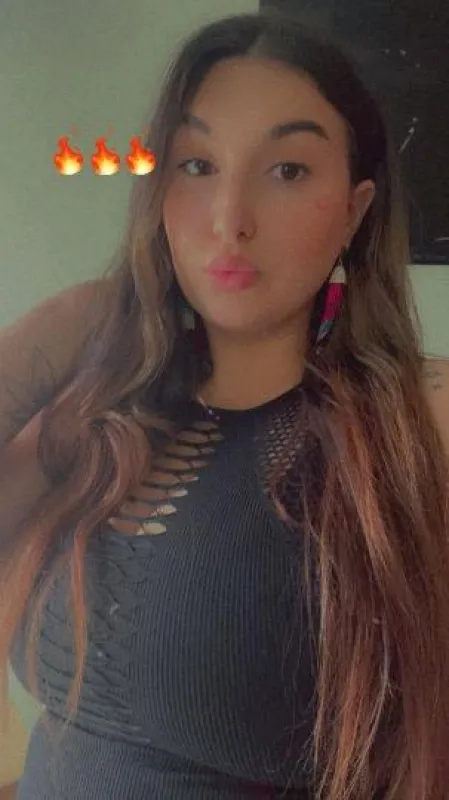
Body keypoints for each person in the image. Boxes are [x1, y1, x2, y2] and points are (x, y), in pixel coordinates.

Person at [0, 8, 449, 800]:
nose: (228, 220)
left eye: (287, 171)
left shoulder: (417, 424)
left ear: (353, 210)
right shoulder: (100, 413)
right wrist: (55, 330)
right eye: (197, 164)